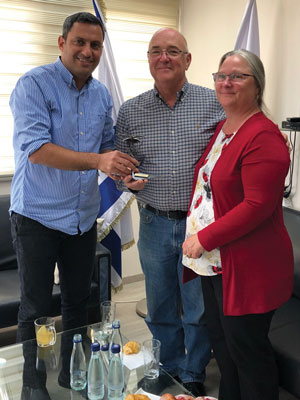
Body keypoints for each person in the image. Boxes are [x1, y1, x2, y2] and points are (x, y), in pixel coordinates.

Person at [9, 12, 138, 343]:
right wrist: (99, 160)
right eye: (79, 42)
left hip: (82, 220)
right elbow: (37, 150)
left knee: (79, 306)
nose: (87, 51)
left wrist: (126, 175)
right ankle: (33, 388)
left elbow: (108, 149)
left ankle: (73, 379)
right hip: (37, 217)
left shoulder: (102, 95)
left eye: (95, 45)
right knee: (35, 310)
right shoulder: (33, 84)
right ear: (62, 43)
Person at [115, 28, 225, 396]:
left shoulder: (213, 104)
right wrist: (126, 181)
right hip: (153, 223)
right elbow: (120, 168)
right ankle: (169, 365)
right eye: (156, 51)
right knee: (160, 304)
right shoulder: (130, 111)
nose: (164, 58)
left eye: (173, 51)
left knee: (196, 309)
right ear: (148, 59)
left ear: (187, 60)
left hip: (199, 227)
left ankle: (193, 372)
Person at [182, 49, 294, 400]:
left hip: (248, 266)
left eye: (238, 76)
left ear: (257, 86)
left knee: (248, 354)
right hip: (216, 264)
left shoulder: (264, 137)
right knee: (225, 350)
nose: (226, 82)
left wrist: (204, 237)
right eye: (221, 75)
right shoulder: (224, 129)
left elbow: (257, 205)